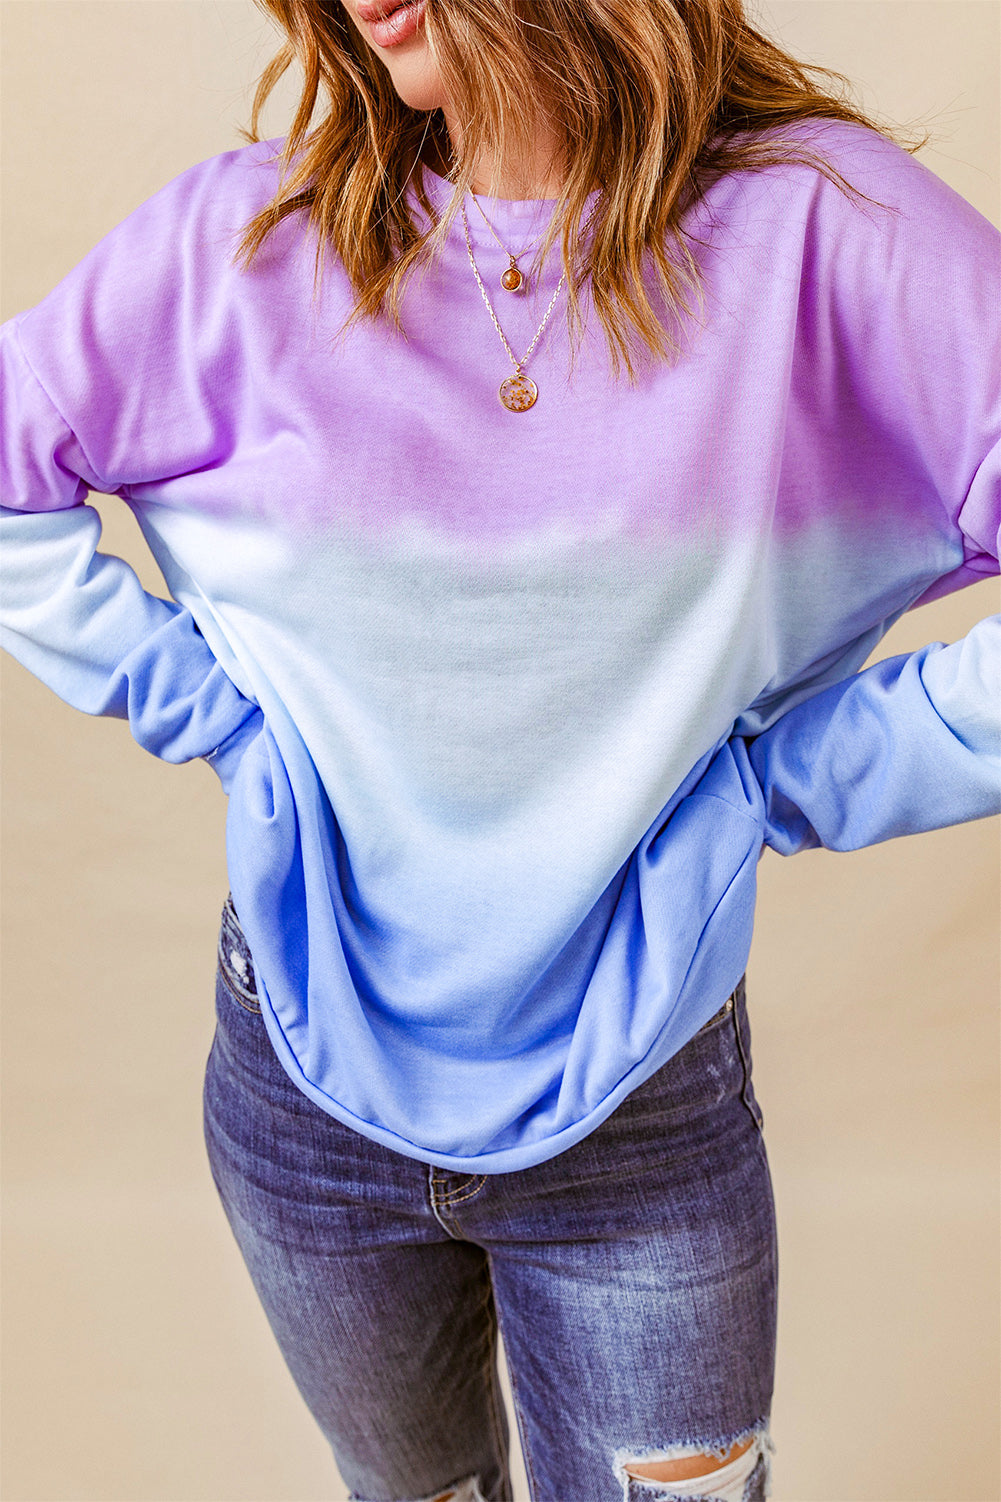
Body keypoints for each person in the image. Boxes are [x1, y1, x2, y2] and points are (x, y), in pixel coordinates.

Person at [1, 0, 998, 1497]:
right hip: (301, 1086)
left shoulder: (822, 228)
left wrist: (791, 779)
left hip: (638, 1110)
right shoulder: (253, 237)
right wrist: (212, 711)